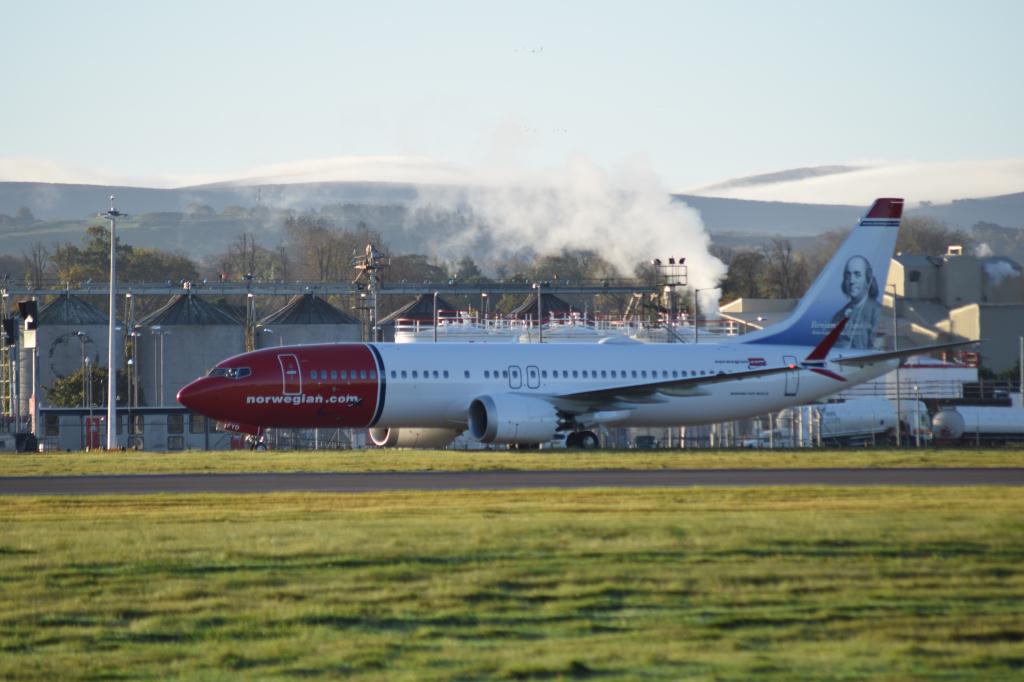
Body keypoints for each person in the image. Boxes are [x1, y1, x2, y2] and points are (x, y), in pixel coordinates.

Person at [831, 255, 881, 349]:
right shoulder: (838, 317)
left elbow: (878, 348)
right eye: (848, 275)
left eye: (857, 275)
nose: (851, 281)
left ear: (868, 279)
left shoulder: (877, 312)